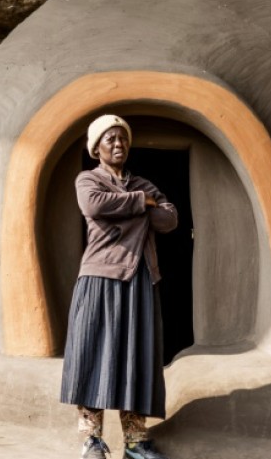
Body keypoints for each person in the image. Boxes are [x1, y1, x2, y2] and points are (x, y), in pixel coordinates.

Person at [59, 114, 178, 459]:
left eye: (122, 139)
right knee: (93, 353)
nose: (117, 144)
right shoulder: (88, 180)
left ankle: (136, 441)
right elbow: (94, 205)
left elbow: (169, 219)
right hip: (100, 277)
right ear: (96, 148)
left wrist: (135, 204)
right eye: (109, 139)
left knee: (136, 355)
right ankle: (92, 440)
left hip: (140, 277)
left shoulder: (141, 181)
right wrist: (142, 203)